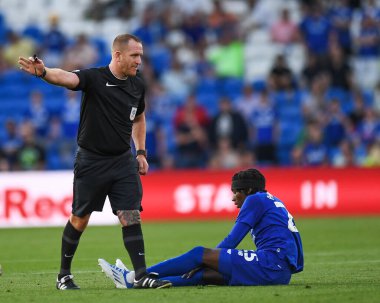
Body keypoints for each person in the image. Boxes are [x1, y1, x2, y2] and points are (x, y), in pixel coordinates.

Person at [18, 34, 171, 290]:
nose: (139, 61)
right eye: (134, 55)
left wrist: (141, 152)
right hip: (92, 161)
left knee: (131, 215)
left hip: (123, 161)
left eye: (141, 55)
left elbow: (139, 118)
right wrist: (43, 72)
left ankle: (142, 275)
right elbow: (67, 77)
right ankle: (63, 276)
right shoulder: (95, 78)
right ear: (117, 55)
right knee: (80, 218)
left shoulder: (137, 86)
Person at [98, 168, 304, 288]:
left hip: (270, 264)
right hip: (280, 273)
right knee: (202, 276)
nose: (233, 198)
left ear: (248, 190)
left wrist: (207, 259)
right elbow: (296, 240)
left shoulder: (255, 200)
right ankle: (140, 285)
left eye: (236, 192)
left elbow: (232, 240)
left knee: (199, 254)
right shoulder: (273, 201)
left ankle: (134, 276)